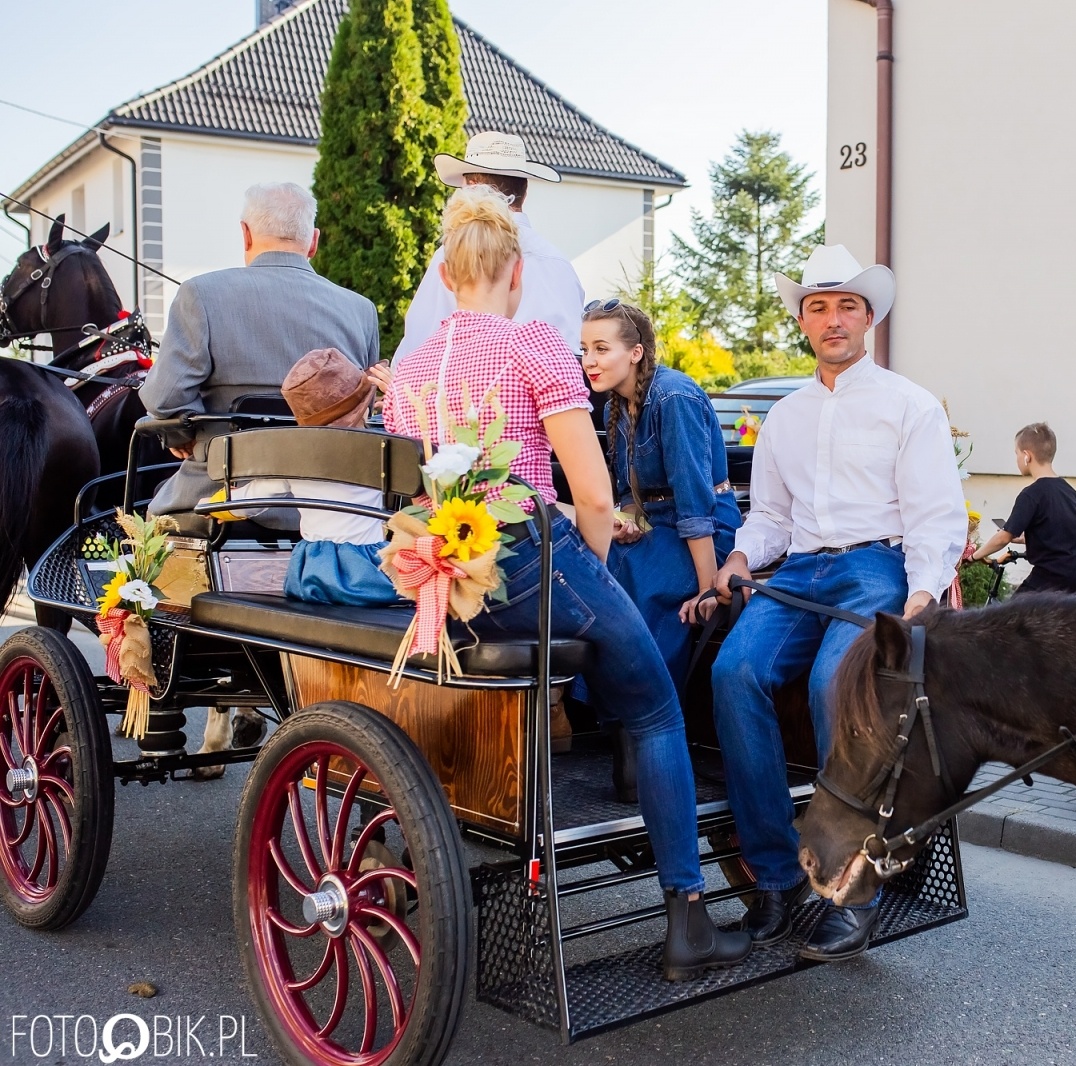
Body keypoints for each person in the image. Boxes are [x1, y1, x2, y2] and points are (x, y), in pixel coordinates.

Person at [383, 185, 749, 979]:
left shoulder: (409, 371)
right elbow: (589, 493)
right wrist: (597, 573)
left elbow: (417, 495)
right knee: (653, 708)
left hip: (451, 576)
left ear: (447, 277)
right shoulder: (535, 348)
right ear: (515, 274)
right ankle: (687, 917)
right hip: (529, 558)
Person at [706, 245, 968, 962]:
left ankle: (856, 886)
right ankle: (776, 878)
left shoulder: (910, 407)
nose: (831, 319)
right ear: (802, 321)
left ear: (869, 316)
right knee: (733, 675)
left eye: (845, 306)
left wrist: (918, 599)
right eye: (817, 307)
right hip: (796, 571)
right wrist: (735, 558)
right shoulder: (784, 417)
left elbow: (934, 518)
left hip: (876, 566)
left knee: (834, 683)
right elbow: (770, 521)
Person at [141, 183, 379, 517]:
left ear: (246, 235)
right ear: (313, 242)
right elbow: (365, 408)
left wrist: (181, 431)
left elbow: (164, 398)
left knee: (145, 521)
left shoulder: (202, 294)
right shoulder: (361, 310)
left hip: (219, 495)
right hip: (330, 502)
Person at [579, 300, 741, 689]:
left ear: (635, 353)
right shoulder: (613, 406)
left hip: (707, 529)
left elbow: (694, 504)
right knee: (591, 566)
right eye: (585, 349)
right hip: (659, 526)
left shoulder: (673, 397)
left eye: (602, 349)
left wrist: (707, 589)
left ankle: (650, 705)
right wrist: (629, 522)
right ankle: (597, 707)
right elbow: (629, 494)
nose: (588, 360)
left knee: (640, 577)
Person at [212, 348, 401, 607]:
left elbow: (250, 498)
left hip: (311, 571)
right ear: (364, 408)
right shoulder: (382, 448)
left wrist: (216, 505)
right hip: (365, 571)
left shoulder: (295, 457)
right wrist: (399, 405)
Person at [392, 131, 585, 363]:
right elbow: (575, 355)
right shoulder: (560, 265)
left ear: (472, 187)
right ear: (524, 191)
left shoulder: (455, 252)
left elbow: (417, 348)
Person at [970, 422, 1076, 593]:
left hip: (1054, 579)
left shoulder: (1031, 494)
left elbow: (1003, 538)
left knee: (1012, 617)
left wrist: (973, 556)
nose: (1016, 459)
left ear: (1027, 456)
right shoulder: (1069, 491)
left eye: (1016, 454)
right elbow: (1066, 535)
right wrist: (1028, 539)